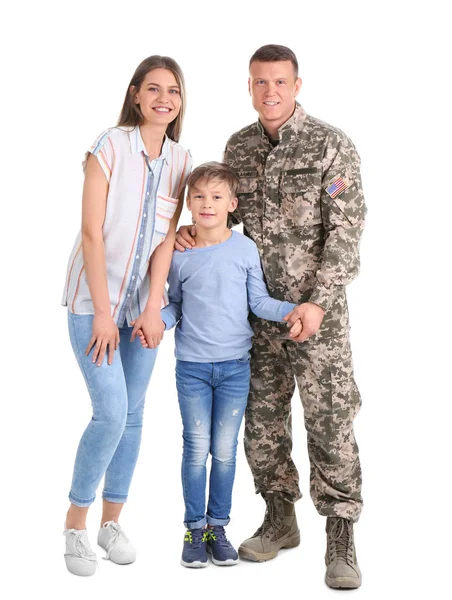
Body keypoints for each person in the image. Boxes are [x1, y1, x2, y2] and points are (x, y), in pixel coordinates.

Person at [175, 45, 366, 589]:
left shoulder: (331, 145)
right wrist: (192, 234)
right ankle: (280, 518)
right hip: (254, 320)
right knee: (260, 423)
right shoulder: (237, 148)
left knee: (330, 421)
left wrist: (318, 300)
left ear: (297, 85)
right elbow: (219, 215)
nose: (270, 92)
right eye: (260, 82)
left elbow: (346, 234)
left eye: (280, 82)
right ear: (250, 86)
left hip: (316, 316)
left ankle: (342, 532)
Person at [61, 55, 192, 576]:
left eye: (174, 91)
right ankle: (75, 524)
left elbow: (164, 241)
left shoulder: (182, 159)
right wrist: (103, 314)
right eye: (154, 89)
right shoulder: (110, 145)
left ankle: (111, 522)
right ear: (136, 94)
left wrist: (155, 307)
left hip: (141, 313)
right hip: (94, 306)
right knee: (111, 412)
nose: (164, 98)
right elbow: (92, 232)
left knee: (134, 414)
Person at [139, 162, 302, 568]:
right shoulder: (178, 254)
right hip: (192, 368)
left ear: (232, 204)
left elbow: (258, 302)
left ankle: (218, 528)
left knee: (225, 452)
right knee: (196, 450)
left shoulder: (245, 249)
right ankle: (195, 530)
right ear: (188, 204)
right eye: (198, 197)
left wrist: (294, 309)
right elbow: (175, 303)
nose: (207, 204)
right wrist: (158, 321)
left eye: (216, 197)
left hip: (234, 368)